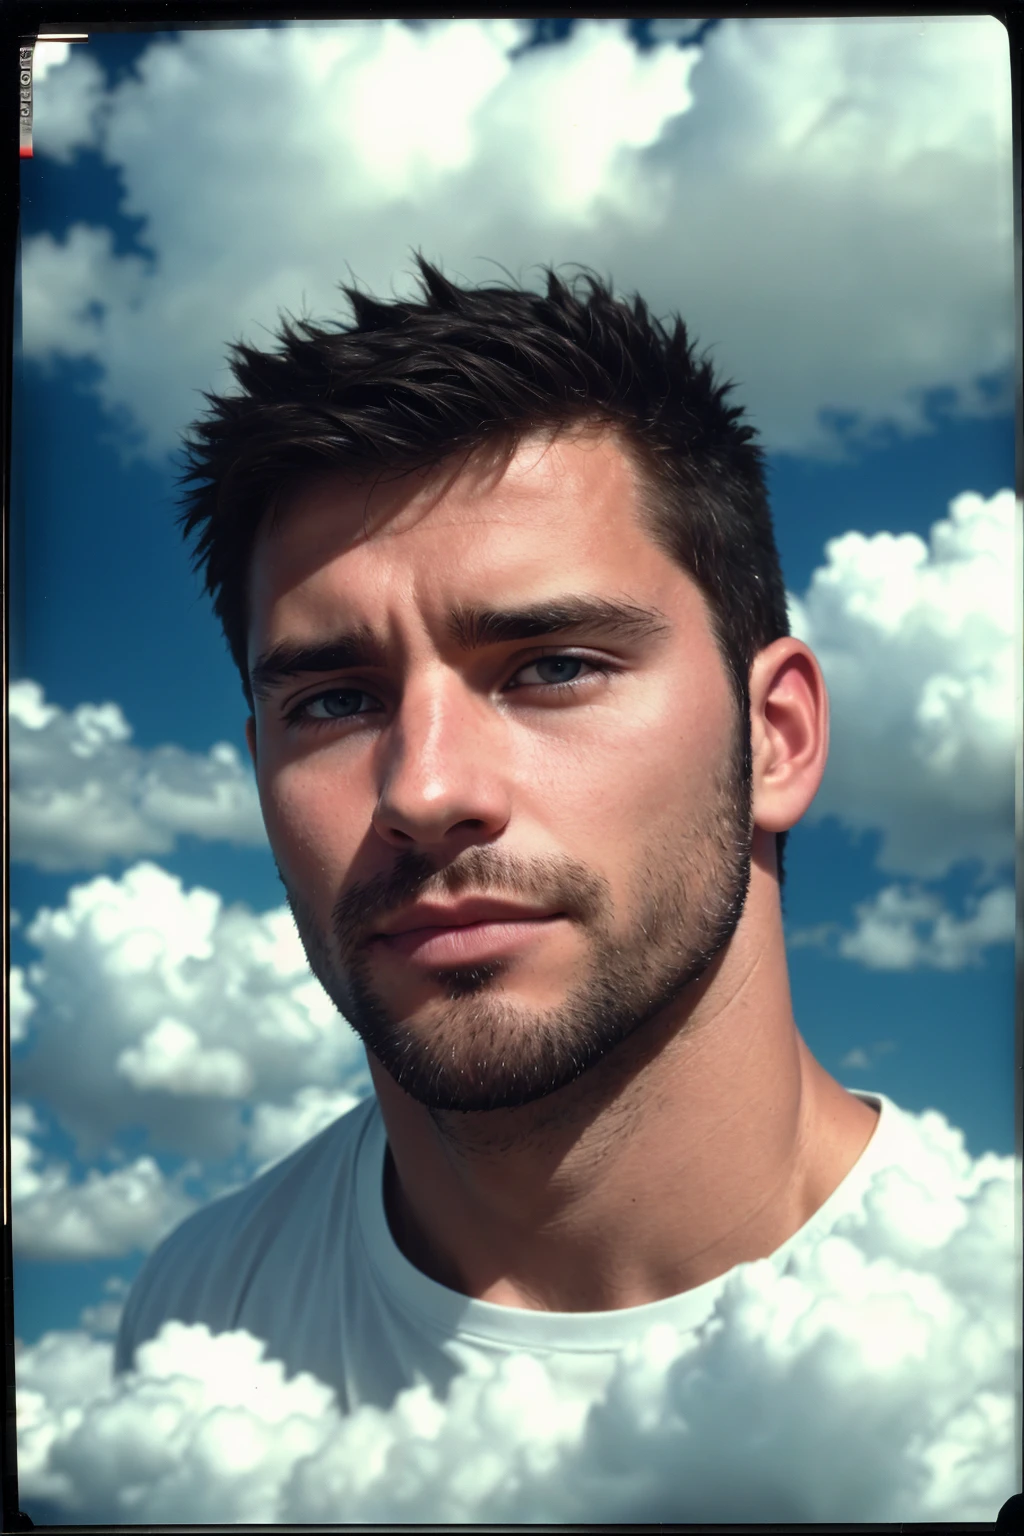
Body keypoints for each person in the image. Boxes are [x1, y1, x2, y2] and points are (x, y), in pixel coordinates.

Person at [117, 256, 914, 1415]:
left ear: (776, 739)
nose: (425, 788)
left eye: (552, 668)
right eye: (333, 701)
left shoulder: (991, 1318)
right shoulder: (198, 1323)